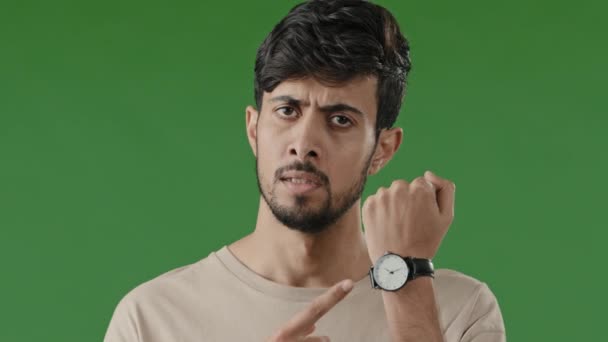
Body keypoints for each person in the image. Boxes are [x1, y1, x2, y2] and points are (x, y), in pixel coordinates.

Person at [103, 0, 506, 341]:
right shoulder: (151, 319)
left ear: (383, 149)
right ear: (253, 129)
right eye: (287, 111)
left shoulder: (460, 311)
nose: (304, 143)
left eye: (340, 120)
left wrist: (404, 281)